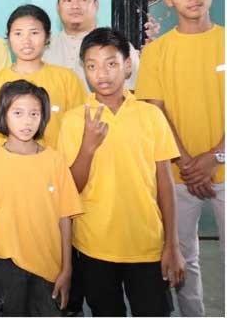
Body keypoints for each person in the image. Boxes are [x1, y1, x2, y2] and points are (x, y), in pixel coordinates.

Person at [57, 27, 185, 316]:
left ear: (128, 65)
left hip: (147, 243)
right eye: (92, 66)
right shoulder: (74, 120)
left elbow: (165, 184)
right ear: (84, 70)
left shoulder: (150, 115)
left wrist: (172, 244)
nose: (101, 74)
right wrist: (87, 147)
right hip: (94, 245)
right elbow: (70, 189)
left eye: (111, 63)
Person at [135, 0, 224, 317]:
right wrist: (187, 163)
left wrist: (216, 157)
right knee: (183, 259)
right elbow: (155, 111)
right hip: (177, 177)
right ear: (169, 0)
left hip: (223, 168)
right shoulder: (156, 52)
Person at [0, 80, 83, 315]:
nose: (27, 121)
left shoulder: (55, 160)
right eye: (18, 113)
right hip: (7, 265)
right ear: (3, 115)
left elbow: (65, 218)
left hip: (49, 268)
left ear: (43, 117)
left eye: (34, 114)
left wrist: (67, 268)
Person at [0, 4, 86, 155]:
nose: (26, 41)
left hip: (55, 166)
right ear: (9, 38)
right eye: (18, 33)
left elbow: (79, 129)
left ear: (47, 37)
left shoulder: (67, 79)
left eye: (34, 33)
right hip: (5, 167)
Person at [44, 0, 139, 91]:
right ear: (58, 7)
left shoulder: (117, 46)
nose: (75, 6)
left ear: (96, 4)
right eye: (68, 0)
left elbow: (136, 92)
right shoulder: (44, 49)